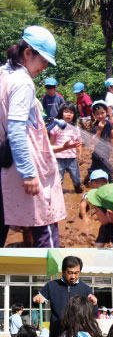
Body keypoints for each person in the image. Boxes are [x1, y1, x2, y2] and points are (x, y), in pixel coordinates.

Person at [0, 25, 66, 248]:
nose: (45, 67)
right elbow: (17, 130)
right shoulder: (23, 82)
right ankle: (53, 277)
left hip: (6, 162)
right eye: (43, 61)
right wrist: (29, 173)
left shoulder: (4, 73)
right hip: (27, 163)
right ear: (28, 53)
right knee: (44, 222)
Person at [32, 256, 98, 337]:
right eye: (70, 273)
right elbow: (39, 301)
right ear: (63, 271)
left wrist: (94, 304)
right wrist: (37, 299)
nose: (73, 276)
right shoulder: (51, 286)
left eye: (76, 273)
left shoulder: (85, 289)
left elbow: (93, 314)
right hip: (56, 336)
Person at [87, 101, 113, 183]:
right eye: (97, 114)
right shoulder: (95, 126)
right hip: (99, 153)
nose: (100, 116)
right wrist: (99, 130)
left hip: (106, 151)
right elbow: (93, 141)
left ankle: (86, 180)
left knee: (94, 168)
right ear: (94, 115)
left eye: (102, 113)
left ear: (106, 113)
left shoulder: (108, 123)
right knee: (109, 169)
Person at [50, 102, 83, 193]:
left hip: (72, 158)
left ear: (74, 115)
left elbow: (78, 143)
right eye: (66, 112)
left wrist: (79, 154)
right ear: (61, 113)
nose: (68, 114)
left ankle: (79, 193)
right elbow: (51, 144)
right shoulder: (56, 127)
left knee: (77, 180)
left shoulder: (75, 128)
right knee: (58, 180)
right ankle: (56, 196)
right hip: (59, 158)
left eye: (71, 112)